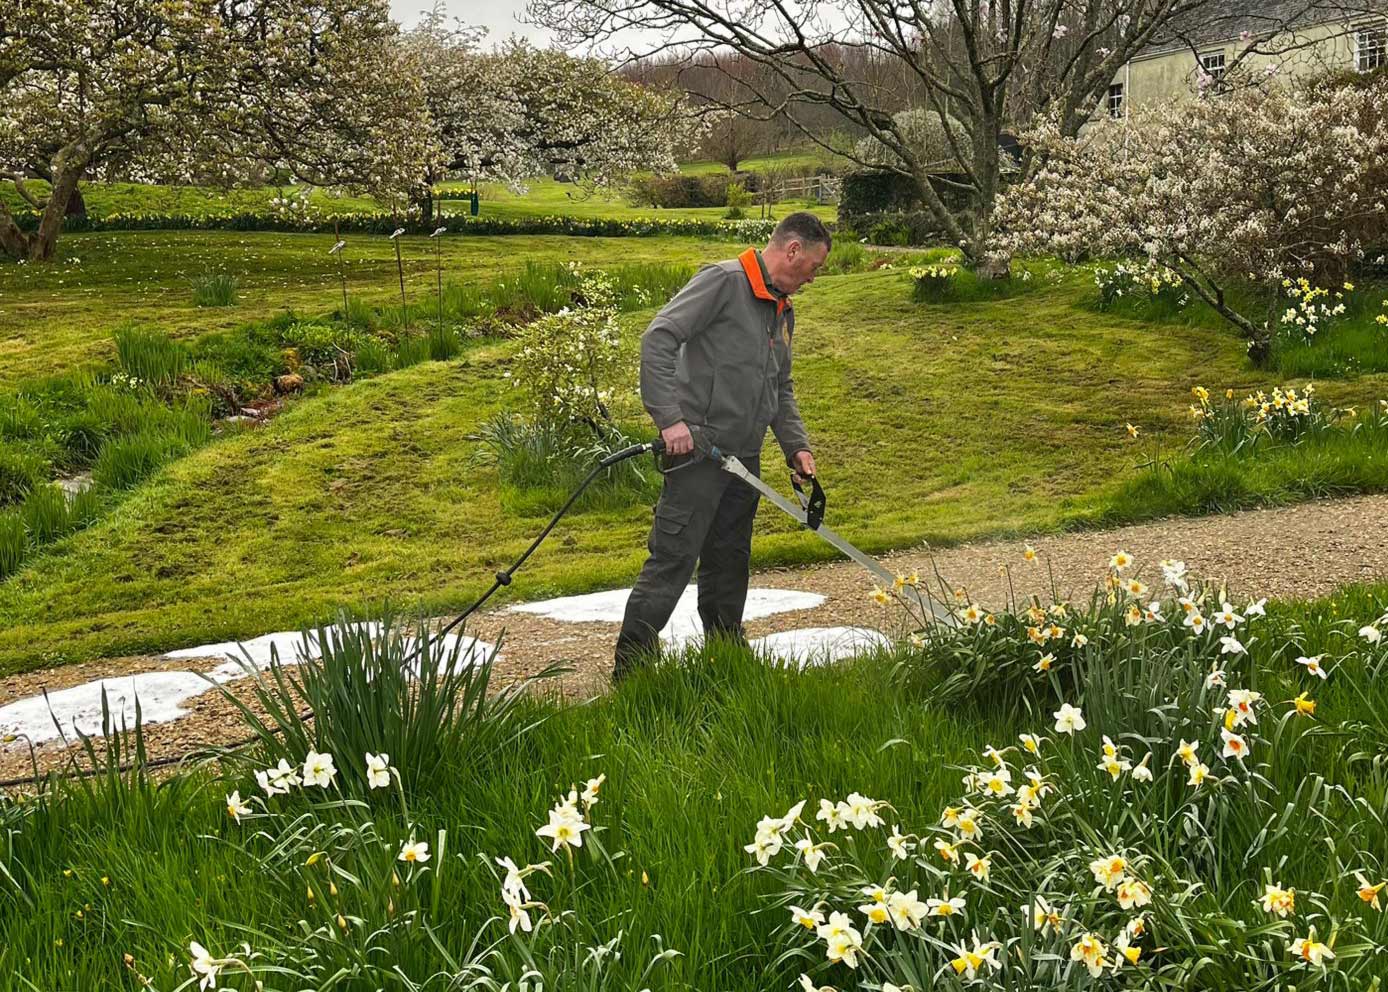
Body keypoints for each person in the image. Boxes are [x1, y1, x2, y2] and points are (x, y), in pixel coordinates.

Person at [613, 211, 831, 679]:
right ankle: (631, 672)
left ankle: (725, 658)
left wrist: (796, 447)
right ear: (792, 250)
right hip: (697, 455)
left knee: (730, 562)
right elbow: (659, 338)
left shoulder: (781, 308)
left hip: (743, 461)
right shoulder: (723, 282)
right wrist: (670, 420)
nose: (811, 278)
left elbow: (781, 385)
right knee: (672, 561)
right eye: (811, 268)